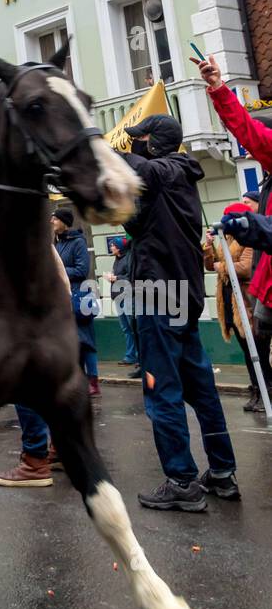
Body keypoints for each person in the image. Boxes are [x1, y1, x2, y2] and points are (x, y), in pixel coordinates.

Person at [121, 113, 238, 510]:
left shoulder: (163, 171)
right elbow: (140, 223)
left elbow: (132, 167)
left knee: (161, 389)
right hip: (183, 295)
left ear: (154, 144)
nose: (136, 145)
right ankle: (221, 473)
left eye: (141, 139)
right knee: (201, 389)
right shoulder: (179, 177)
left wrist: (95, 144)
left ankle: (181, 480)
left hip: (159, 295)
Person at [198, 53, 272, 410]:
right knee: (257, 342)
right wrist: (217, 87)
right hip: (266, 293)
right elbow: (248, 131)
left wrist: (254, 226)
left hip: (260, 291)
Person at [204, 204, 270, 411]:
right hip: (230, 301)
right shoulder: (228, 239)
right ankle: (257, 391)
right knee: (247, 351)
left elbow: (246, 267)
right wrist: (208, 246)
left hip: (246, 301)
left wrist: (220, 266)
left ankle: (265, 391)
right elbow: (209, 264)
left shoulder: (246, 240)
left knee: (256, 349)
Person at [52, 207, 99, 397]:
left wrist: (58, 272)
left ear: (64, 221)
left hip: (80, 297)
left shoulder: (78, 242)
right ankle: (79, 380)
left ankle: (93, 382)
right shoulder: (58, 244)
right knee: (74, 341)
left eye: (54, 218)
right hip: (65, 298)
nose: (51, 221)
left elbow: (82, 270)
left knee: (86, 342)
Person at [105, 236, 140, 374]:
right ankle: (130, 356)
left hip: (127, 296)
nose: (111, 247)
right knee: (126, 328)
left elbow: (130, 276)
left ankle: (138, 356)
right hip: (118, 297)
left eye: (113, 245)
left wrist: (116, 278)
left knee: (133, 327)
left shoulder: (128, 258)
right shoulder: (117, 260)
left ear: (119, 247)